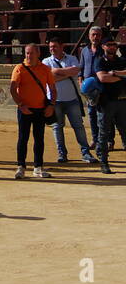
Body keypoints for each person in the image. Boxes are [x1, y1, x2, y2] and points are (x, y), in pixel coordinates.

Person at [42, 35, 97, 165]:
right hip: (55, 100)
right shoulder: (45, 61)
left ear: (62, 47)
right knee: (57, 127)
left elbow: (76, 71)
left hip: (71, 99)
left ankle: (85, 153)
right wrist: (66, 73)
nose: (52, 49)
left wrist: (56, 72)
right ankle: (62, 154)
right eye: (50, 47)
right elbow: (48, 77)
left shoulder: (71, 58)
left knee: (78, 127)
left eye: (55, 46)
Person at [9, 43, 56, 179]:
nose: (29, 56)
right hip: (25, 109)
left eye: (31, 53)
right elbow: (13, 88)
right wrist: (20, 104)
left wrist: (51, 105)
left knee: (39, 138)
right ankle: (21, 166)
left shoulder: (45, 69)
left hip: (40, 109)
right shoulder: (19, 68)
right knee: (23, 138)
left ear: (38, 53)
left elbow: (52, 89)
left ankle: (38, 167)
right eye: (27, 53)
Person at [80, 25, 123, 152]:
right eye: (93, 34)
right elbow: (81, 69)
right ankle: (95, 139)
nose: (95, 37)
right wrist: (81, 84)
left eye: (98, 35)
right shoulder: (84, 50)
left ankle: (110, 141)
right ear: (89, 36)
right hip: (89, 89)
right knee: (92, 114)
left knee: (107, 116)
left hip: (104, 86)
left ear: (101, 37)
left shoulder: (105, 49)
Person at [93, 38, 126, 175]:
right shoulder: (100, 61)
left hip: (123, 101)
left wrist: (115, 73)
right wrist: (122, 76)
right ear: (103, 46)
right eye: (109, 45)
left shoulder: (122, 60)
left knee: (125, 132)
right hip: (106, 102)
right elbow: (103, 78)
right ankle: (104, 162)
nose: (112, 47)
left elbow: (110, 76)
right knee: (104, 134)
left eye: (113, 45)